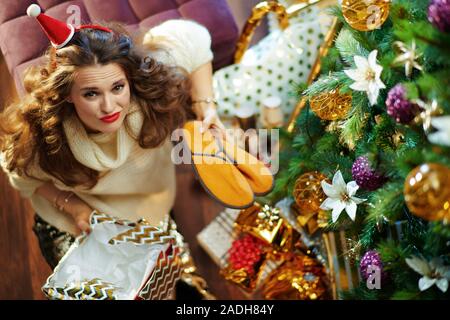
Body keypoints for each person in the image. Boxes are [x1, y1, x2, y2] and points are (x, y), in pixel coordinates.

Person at [0, 4, 224, 299]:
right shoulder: (45, 135)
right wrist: (73, 205)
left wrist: (205, 106)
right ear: (68, 94)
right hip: (78, 223)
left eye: (117, 88)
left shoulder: (148, 96)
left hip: (146, 210)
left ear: (130, 78)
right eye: (91, 94)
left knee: (170, 286)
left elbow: (193, 37)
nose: (109, 107)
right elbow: (19, 175)